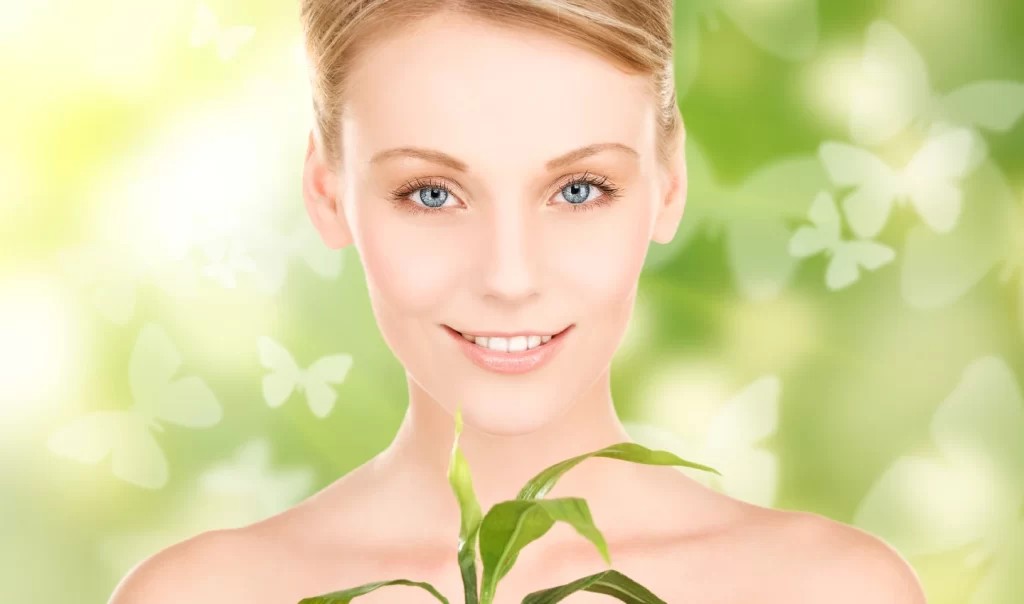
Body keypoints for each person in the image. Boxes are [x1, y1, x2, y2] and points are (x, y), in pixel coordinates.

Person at [109, 1, 928, 602]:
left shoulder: (828, 591)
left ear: (669, 185)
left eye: (579, 189)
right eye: (431, 194)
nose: (509, 275)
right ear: (327, 193)